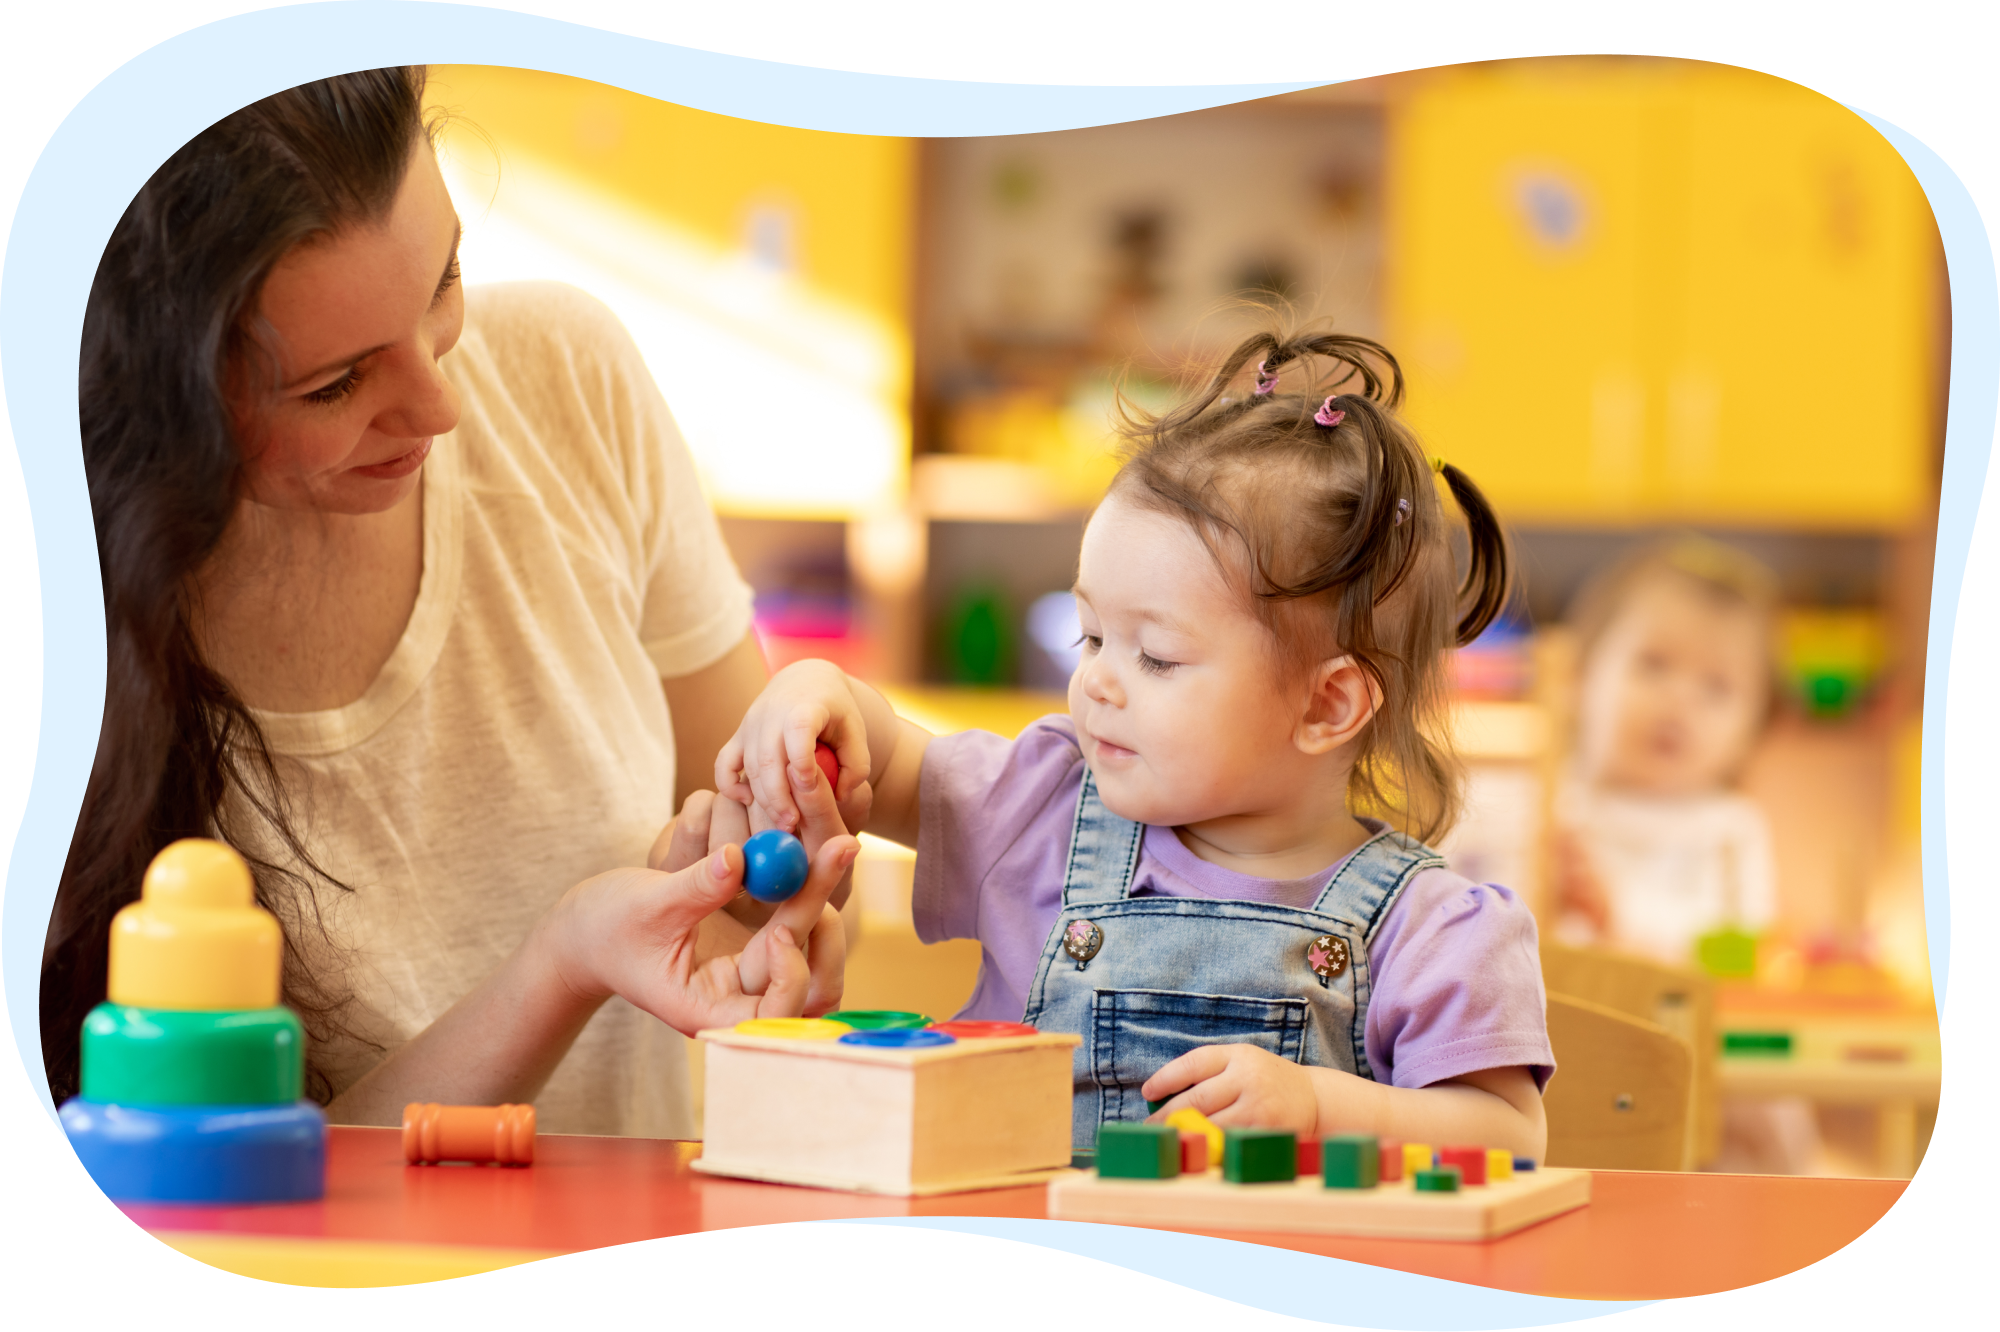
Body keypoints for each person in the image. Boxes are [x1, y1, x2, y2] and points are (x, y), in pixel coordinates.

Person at [42, 67, 861, 1137]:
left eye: (442, 284)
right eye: (336, 385)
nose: (442, 406)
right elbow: (234, 1199)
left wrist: (755, 901)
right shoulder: (85, 617)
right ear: (147, 396)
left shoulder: (572, 373)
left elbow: (752, 844)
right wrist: (563, 968)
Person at [721, 332, 1554, 1158]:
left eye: (1155, 655)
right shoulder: (1041, 808)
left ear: (1328, 703)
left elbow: (1507, 1138)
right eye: (1090, 638)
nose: (1096, 685)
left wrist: (1320, 1105)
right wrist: (814, 692)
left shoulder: (1432, 930)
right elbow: (890, 760)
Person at [1549, 538, 1781, 968]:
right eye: (1653, 664)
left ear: (1752, 731)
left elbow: (1733, 966)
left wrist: (1613, 920)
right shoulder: (1551, 806)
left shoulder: (1732, 835)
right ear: (1579, 677)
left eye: (1716, 688)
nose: (1679, 701)